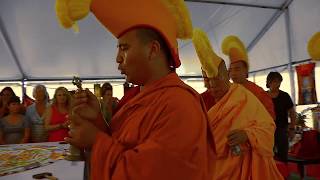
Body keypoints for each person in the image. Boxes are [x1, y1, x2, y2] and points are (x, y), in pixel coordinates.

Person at [55, 0, 214, 180]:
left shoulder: (180, 105)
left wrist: (95, 141)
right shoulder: (135, 96)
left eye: (125, 48)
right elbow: (123, 144)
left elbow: (150, 173)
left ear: (152, 50)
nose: (117, 58)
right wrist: (98, 120)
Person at [192, 28, 283, 180]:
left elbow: (268, 125)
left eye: (216, 79)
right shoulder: (203, 99)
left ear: (225, 75)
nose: (211, 85)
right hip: (215, 167)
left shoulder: (250, 95)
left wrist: (248, 134)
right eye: (207, 79)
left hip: (246, 163)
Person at [222, 36, 275, 119]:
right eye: (231, 70)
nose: (233, 73)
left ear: (246, 70)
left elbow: (270, 118)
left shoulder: (258, 92)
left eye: (237, 69)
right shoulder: (227, 91)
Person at [266, 72, 296, 162]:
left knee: (283, 155)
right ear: (269, 82)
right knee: (268, 155)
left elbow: (292, 113)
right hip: (267, 130)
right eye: (274, 81)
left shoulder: (285, 96)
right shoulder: (263, 96)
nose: (277, 84)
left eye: (279, 81)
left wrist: (292, 128)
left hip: (282, 129)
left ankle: (284, 174)